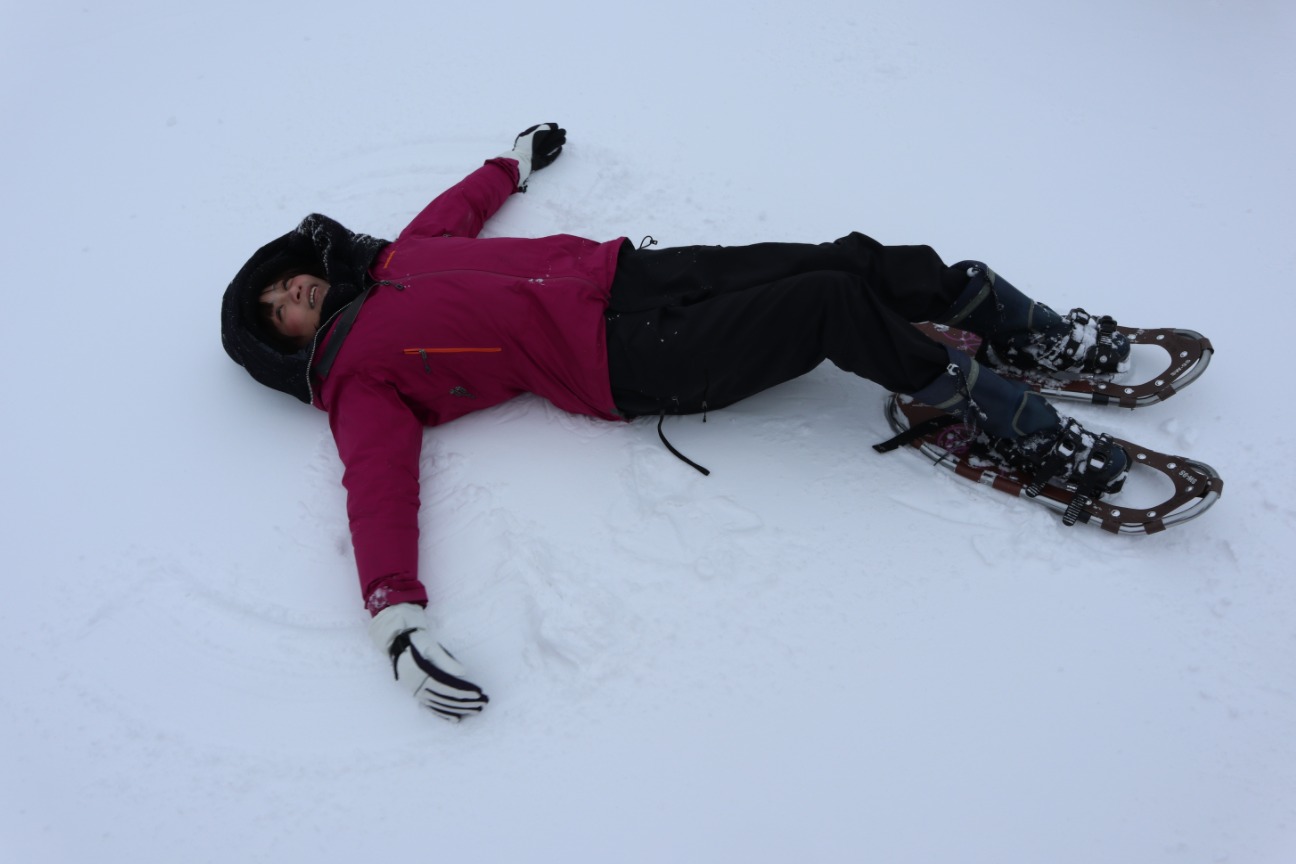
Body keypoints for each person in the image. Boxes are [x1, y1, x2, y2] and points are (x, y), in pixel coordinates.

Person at [221, 124, 1132, 721]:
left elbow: (461, 208)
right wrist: (396, 619)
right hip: (628, 360)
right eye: (278, 309)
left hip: (635, 276)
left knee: (848, 257)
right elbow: (376, 487)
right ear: (286, 346)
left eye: (287, 280)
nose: (293, 291)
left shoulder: (396, 256)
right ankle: (979, 404)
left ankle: (1020, 325)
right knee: (826, 303)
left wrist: (512, 161)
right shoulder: (358, 380)